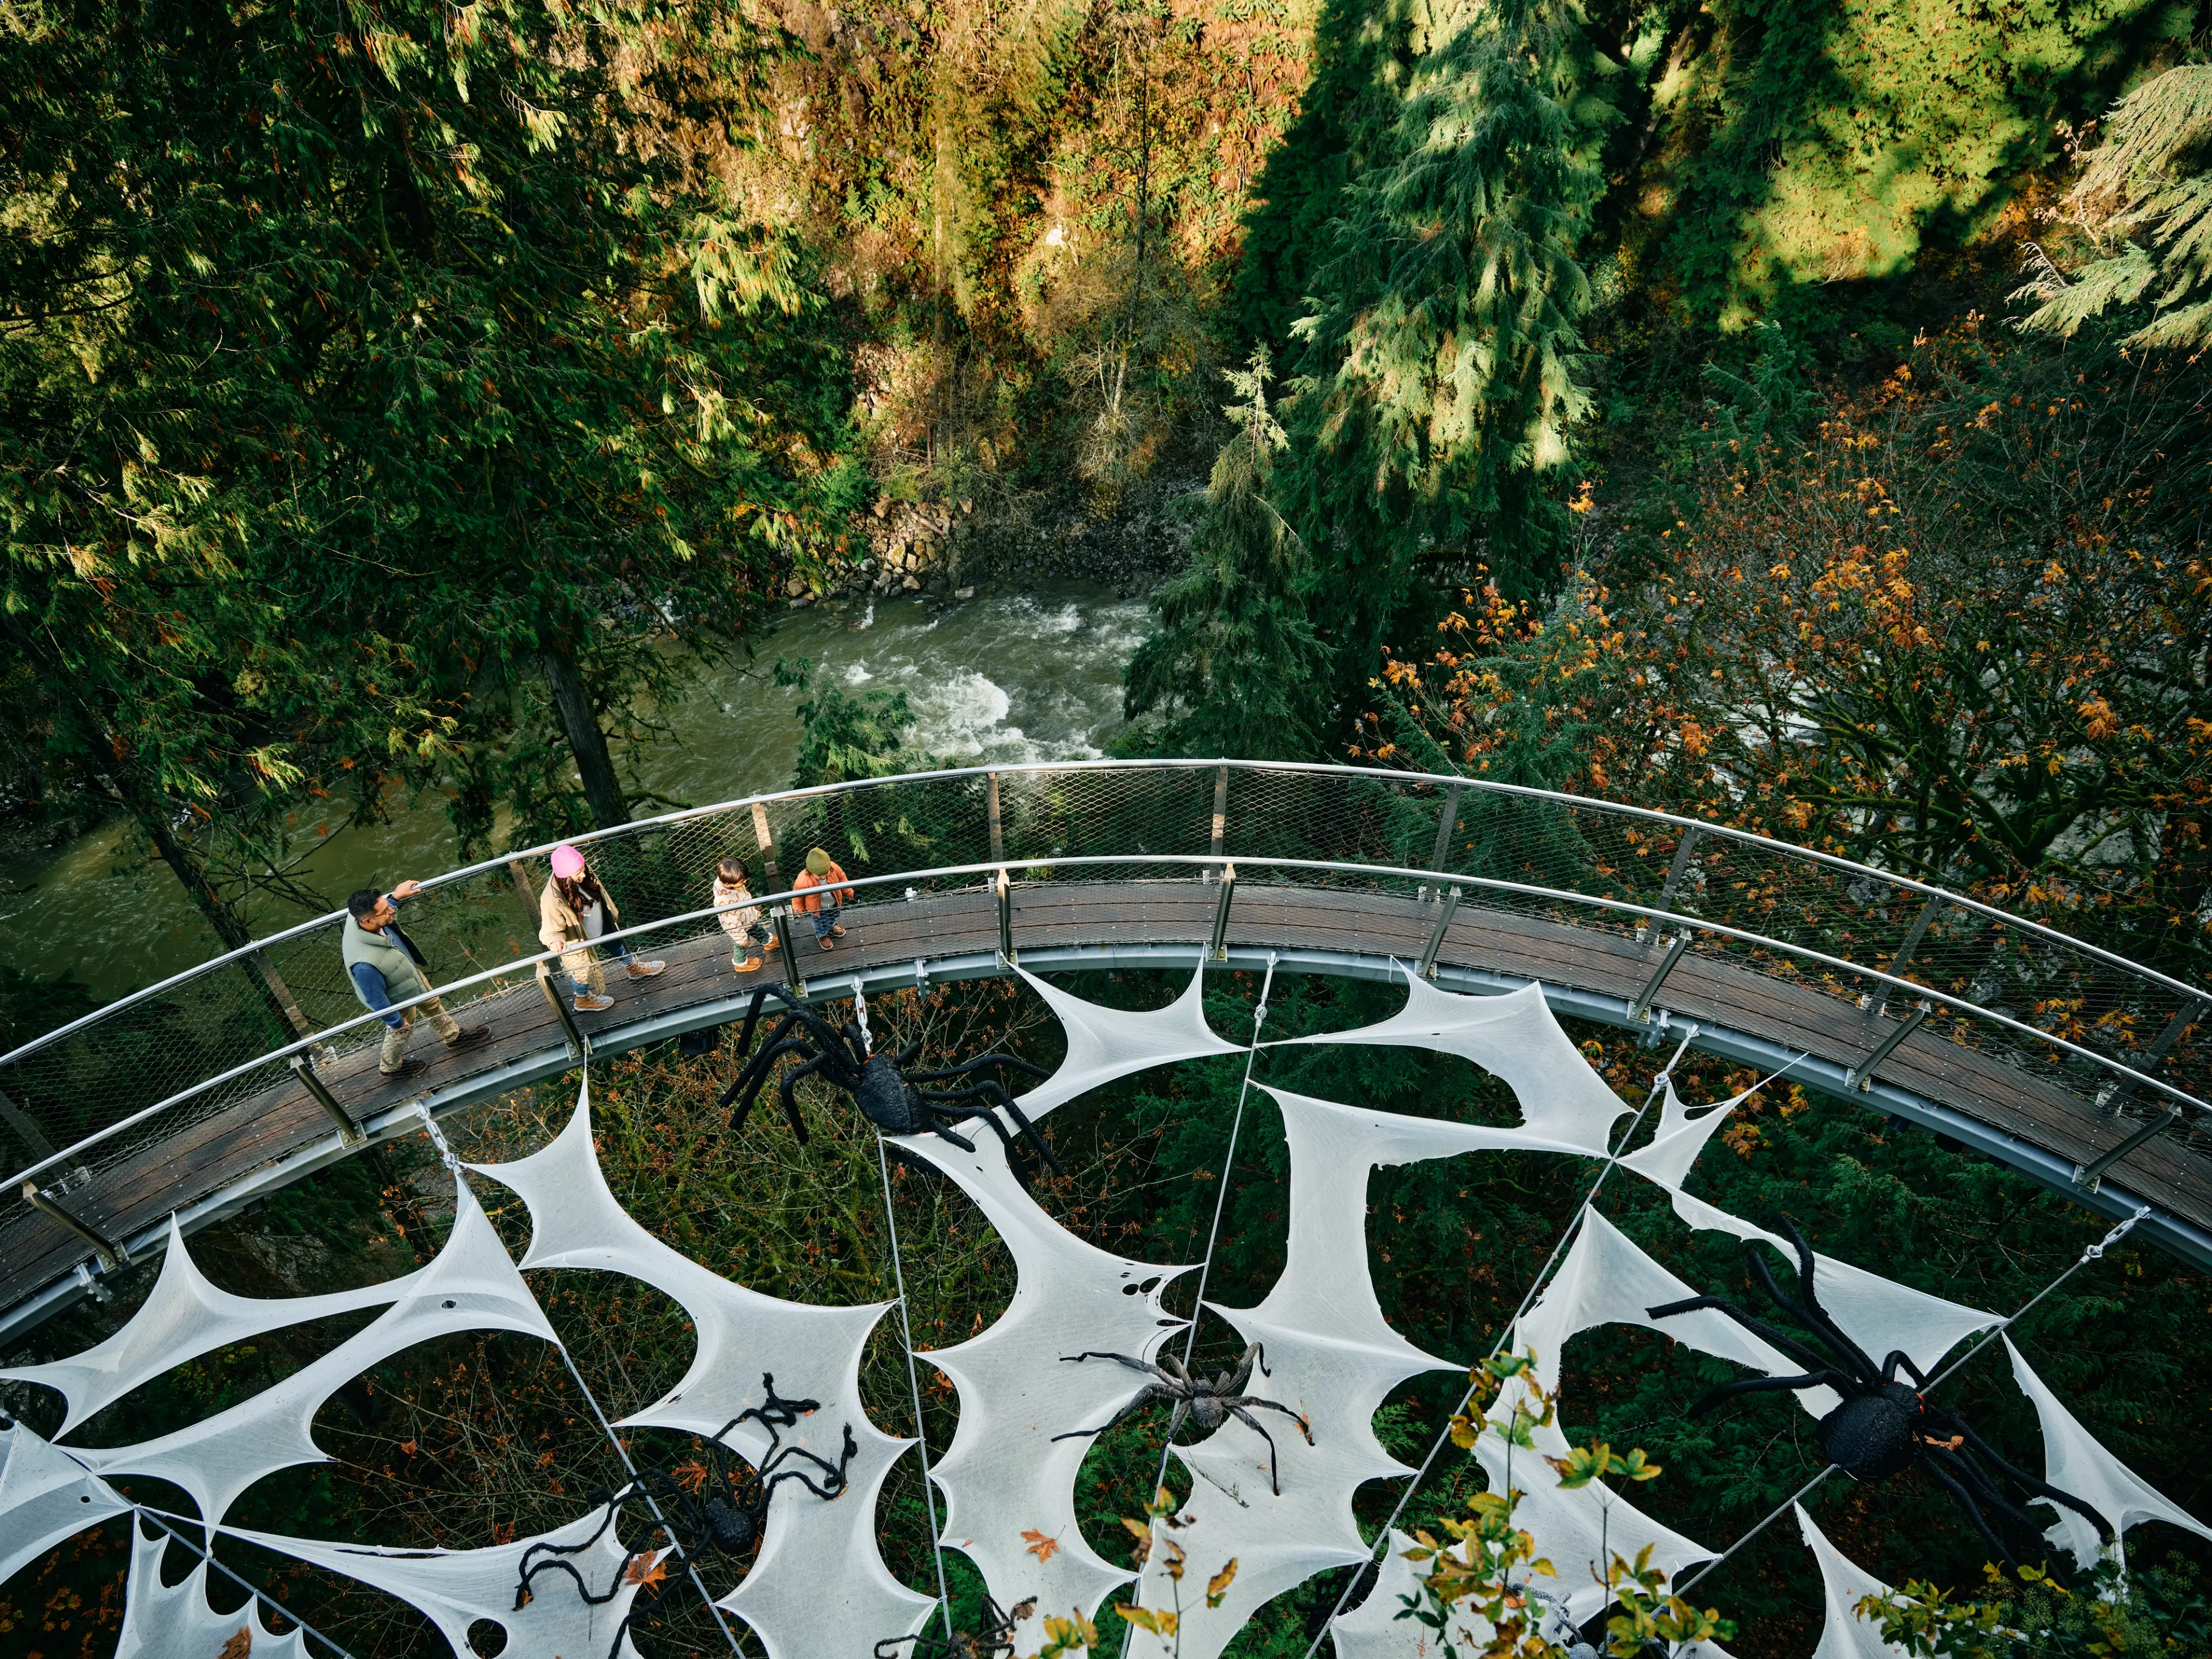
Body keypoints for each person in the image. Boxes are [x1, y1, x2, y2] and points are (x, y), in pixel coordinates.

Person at [343, 881, 490, 1078]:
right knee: (403, 1028)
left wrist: (395, 897)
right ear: (368, 921)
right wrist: (395, 1021)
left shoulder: (359, 917)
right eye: (386, 910)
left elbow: (385, 909)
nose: (391, 911)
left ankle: (453, 1037)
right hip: (397, 995)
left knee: (431, 1003)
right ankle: (391, 1068)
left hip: (406, 972)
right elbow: (376, 999)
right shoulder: (364, 966)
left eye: (388, 906)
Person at [539, 844, 665, 1012]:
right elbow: (550, 929)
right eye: (578, 874)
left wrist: (611, 911)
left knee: (614, 940)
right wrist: (554, 940)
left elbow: (601, 891)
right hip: (575, 933)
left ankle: (633, 968)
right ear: (565, 877)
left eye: (583, 869)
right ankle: (582, 999)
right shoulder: (551, 899)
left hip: (596, 917)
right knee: (581, 967)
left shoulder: (582, 872)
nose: (583, 874)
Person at [711, 857, 767, 974]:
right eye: (742, 881)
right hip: (739, 927)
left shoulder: (731, 880)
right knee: (741, 946)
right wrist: (741, 938)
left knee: (756, 929)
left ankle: (768, 941)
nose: (745, 882)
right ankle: (740, 963)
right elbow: (730, 923)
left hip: (747, 919)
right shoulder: (723, 902)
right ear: (728, 883)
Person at [793, 846, 853, 950]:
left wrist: (848, 891)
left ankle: (832, 925)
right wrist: (798, 909)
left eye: (826, 873)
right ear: (811, 871)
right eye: (820, 875)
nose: (823, 877)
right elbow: (797, 896)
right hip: (818, 909)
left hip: (834, 902)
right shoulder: (803, 880)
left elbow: (842, 878)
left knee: (833, 915)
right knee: (821, 923)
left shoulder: (834, 867)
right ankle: (821, 935)